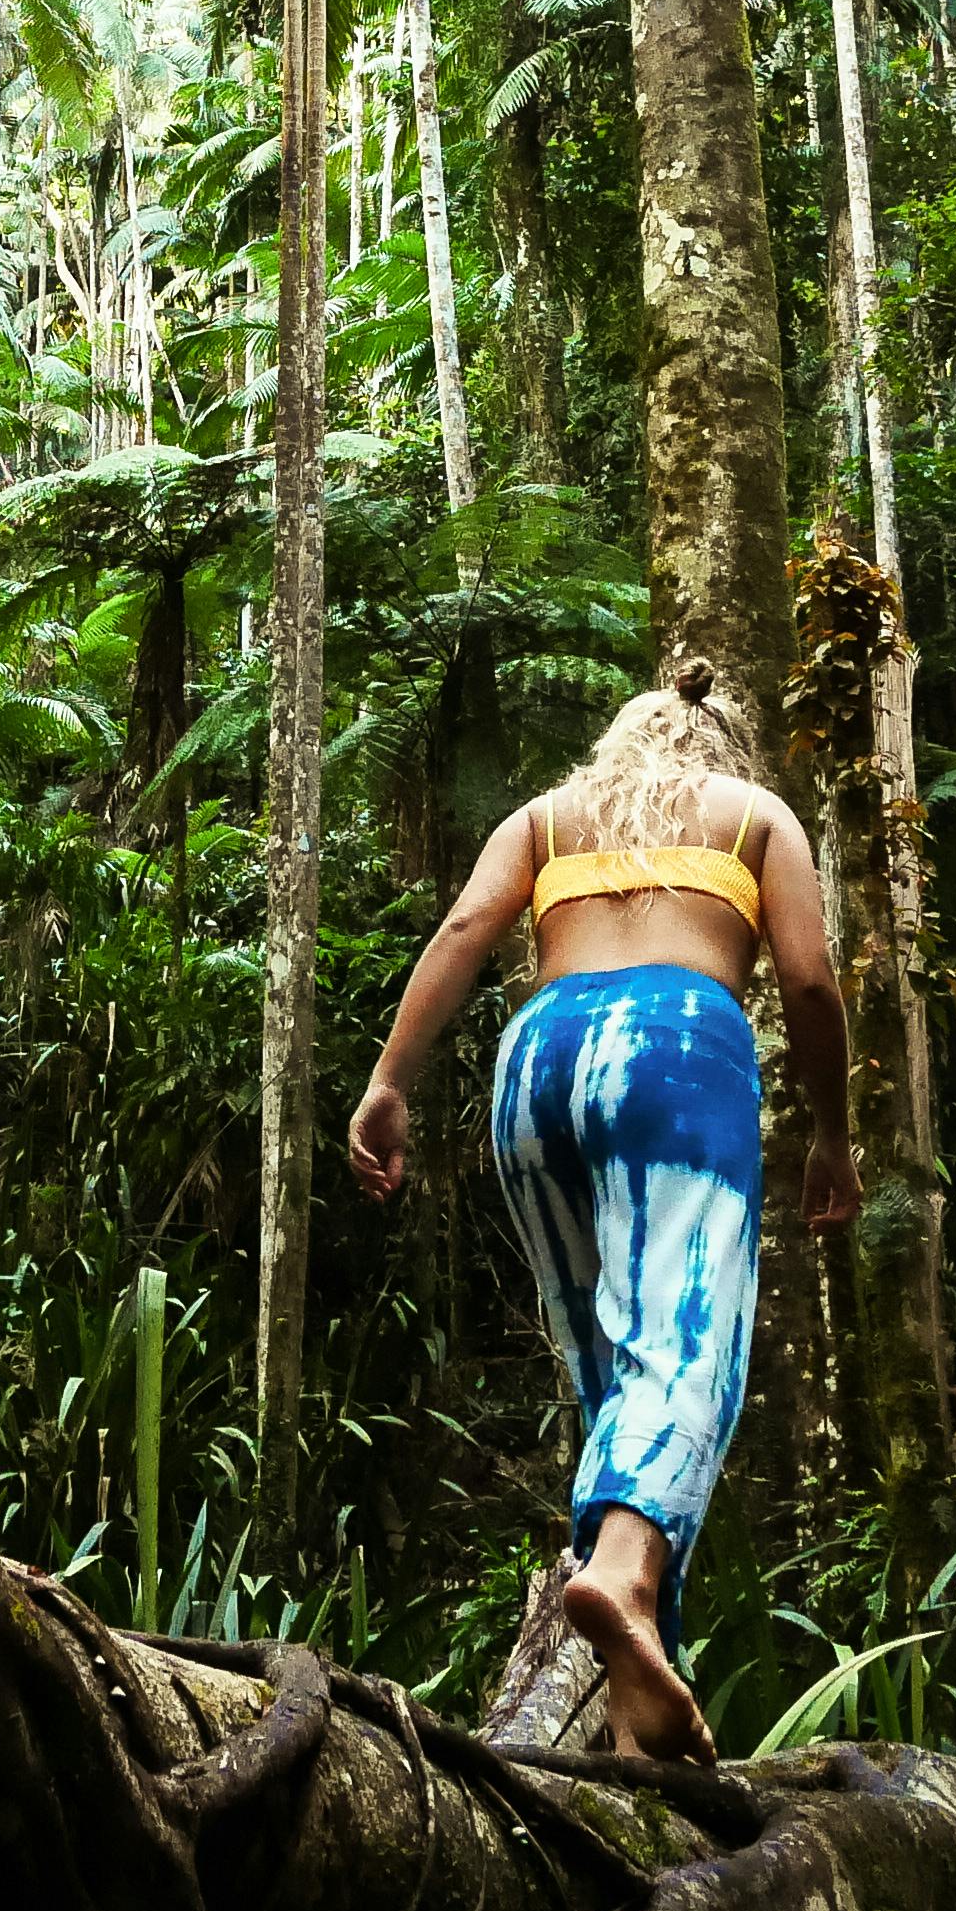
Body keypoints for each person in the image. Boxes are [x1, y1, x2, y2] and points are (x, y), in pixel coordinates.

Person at [345, 661, 854, 1762]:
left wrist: (387, 1084)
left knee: (609, 1373)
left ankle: (636, 1713)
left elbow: (461, 933)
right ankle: (618, 1578)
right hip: (676, 1047)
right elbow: (810, 983)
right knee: (684, 1347)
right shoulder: (755, 816)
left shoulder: (543, 818)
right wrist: (830, 1133)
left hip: (534, 1060)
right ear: (722, 747)